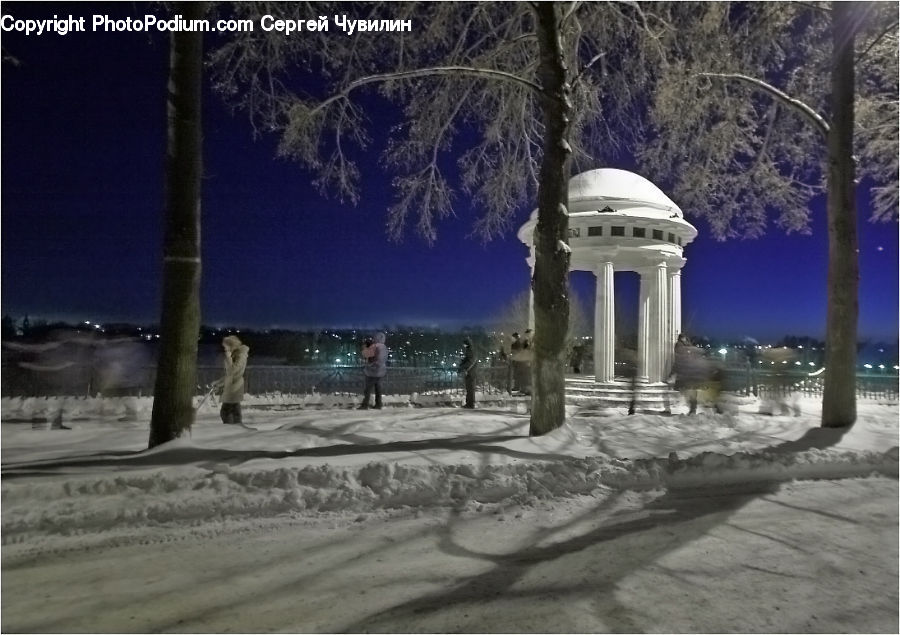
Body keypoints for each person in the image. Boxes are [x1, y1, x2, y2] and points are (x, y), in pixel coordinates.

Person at [216, 335, 249, 424]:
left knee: (226, 412)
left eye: (225, 346)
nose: (224, 348)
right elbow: (229, 374)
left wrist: (228, 358)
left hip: (235, 387)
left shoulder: (241, 355)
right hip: (232, 386)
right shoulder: (235, 354)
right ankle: (236, 428)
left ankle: (232, 429)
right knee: (233, 410)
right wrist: (218, 383)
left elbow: (232, 370)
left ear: (231, 345)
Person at [358, 332, 388, 409]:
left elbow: (366, 355)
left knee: (367, 389)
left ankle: (365, 405)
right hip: (380, 372)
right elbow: (382, 360)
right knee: (378, 389)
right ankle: (378, 404)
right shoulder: (384, 347)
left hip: (372, 372)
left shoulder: (375, 346)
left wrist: (365, 347)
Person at [458, 337, 478, 408]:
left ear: (467, 344)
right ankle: (469, 403)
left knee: (470, 389)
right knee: (469, 389)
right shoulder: (470, 350)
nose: (463, 345)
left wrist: (463, 367)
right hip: (470, 372)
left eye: (464, 344)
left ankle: (470, 404)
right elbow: (468, 359)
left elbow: (470, 361)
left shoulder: (470, 350)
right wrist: (462, 364)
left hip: (470, 372)